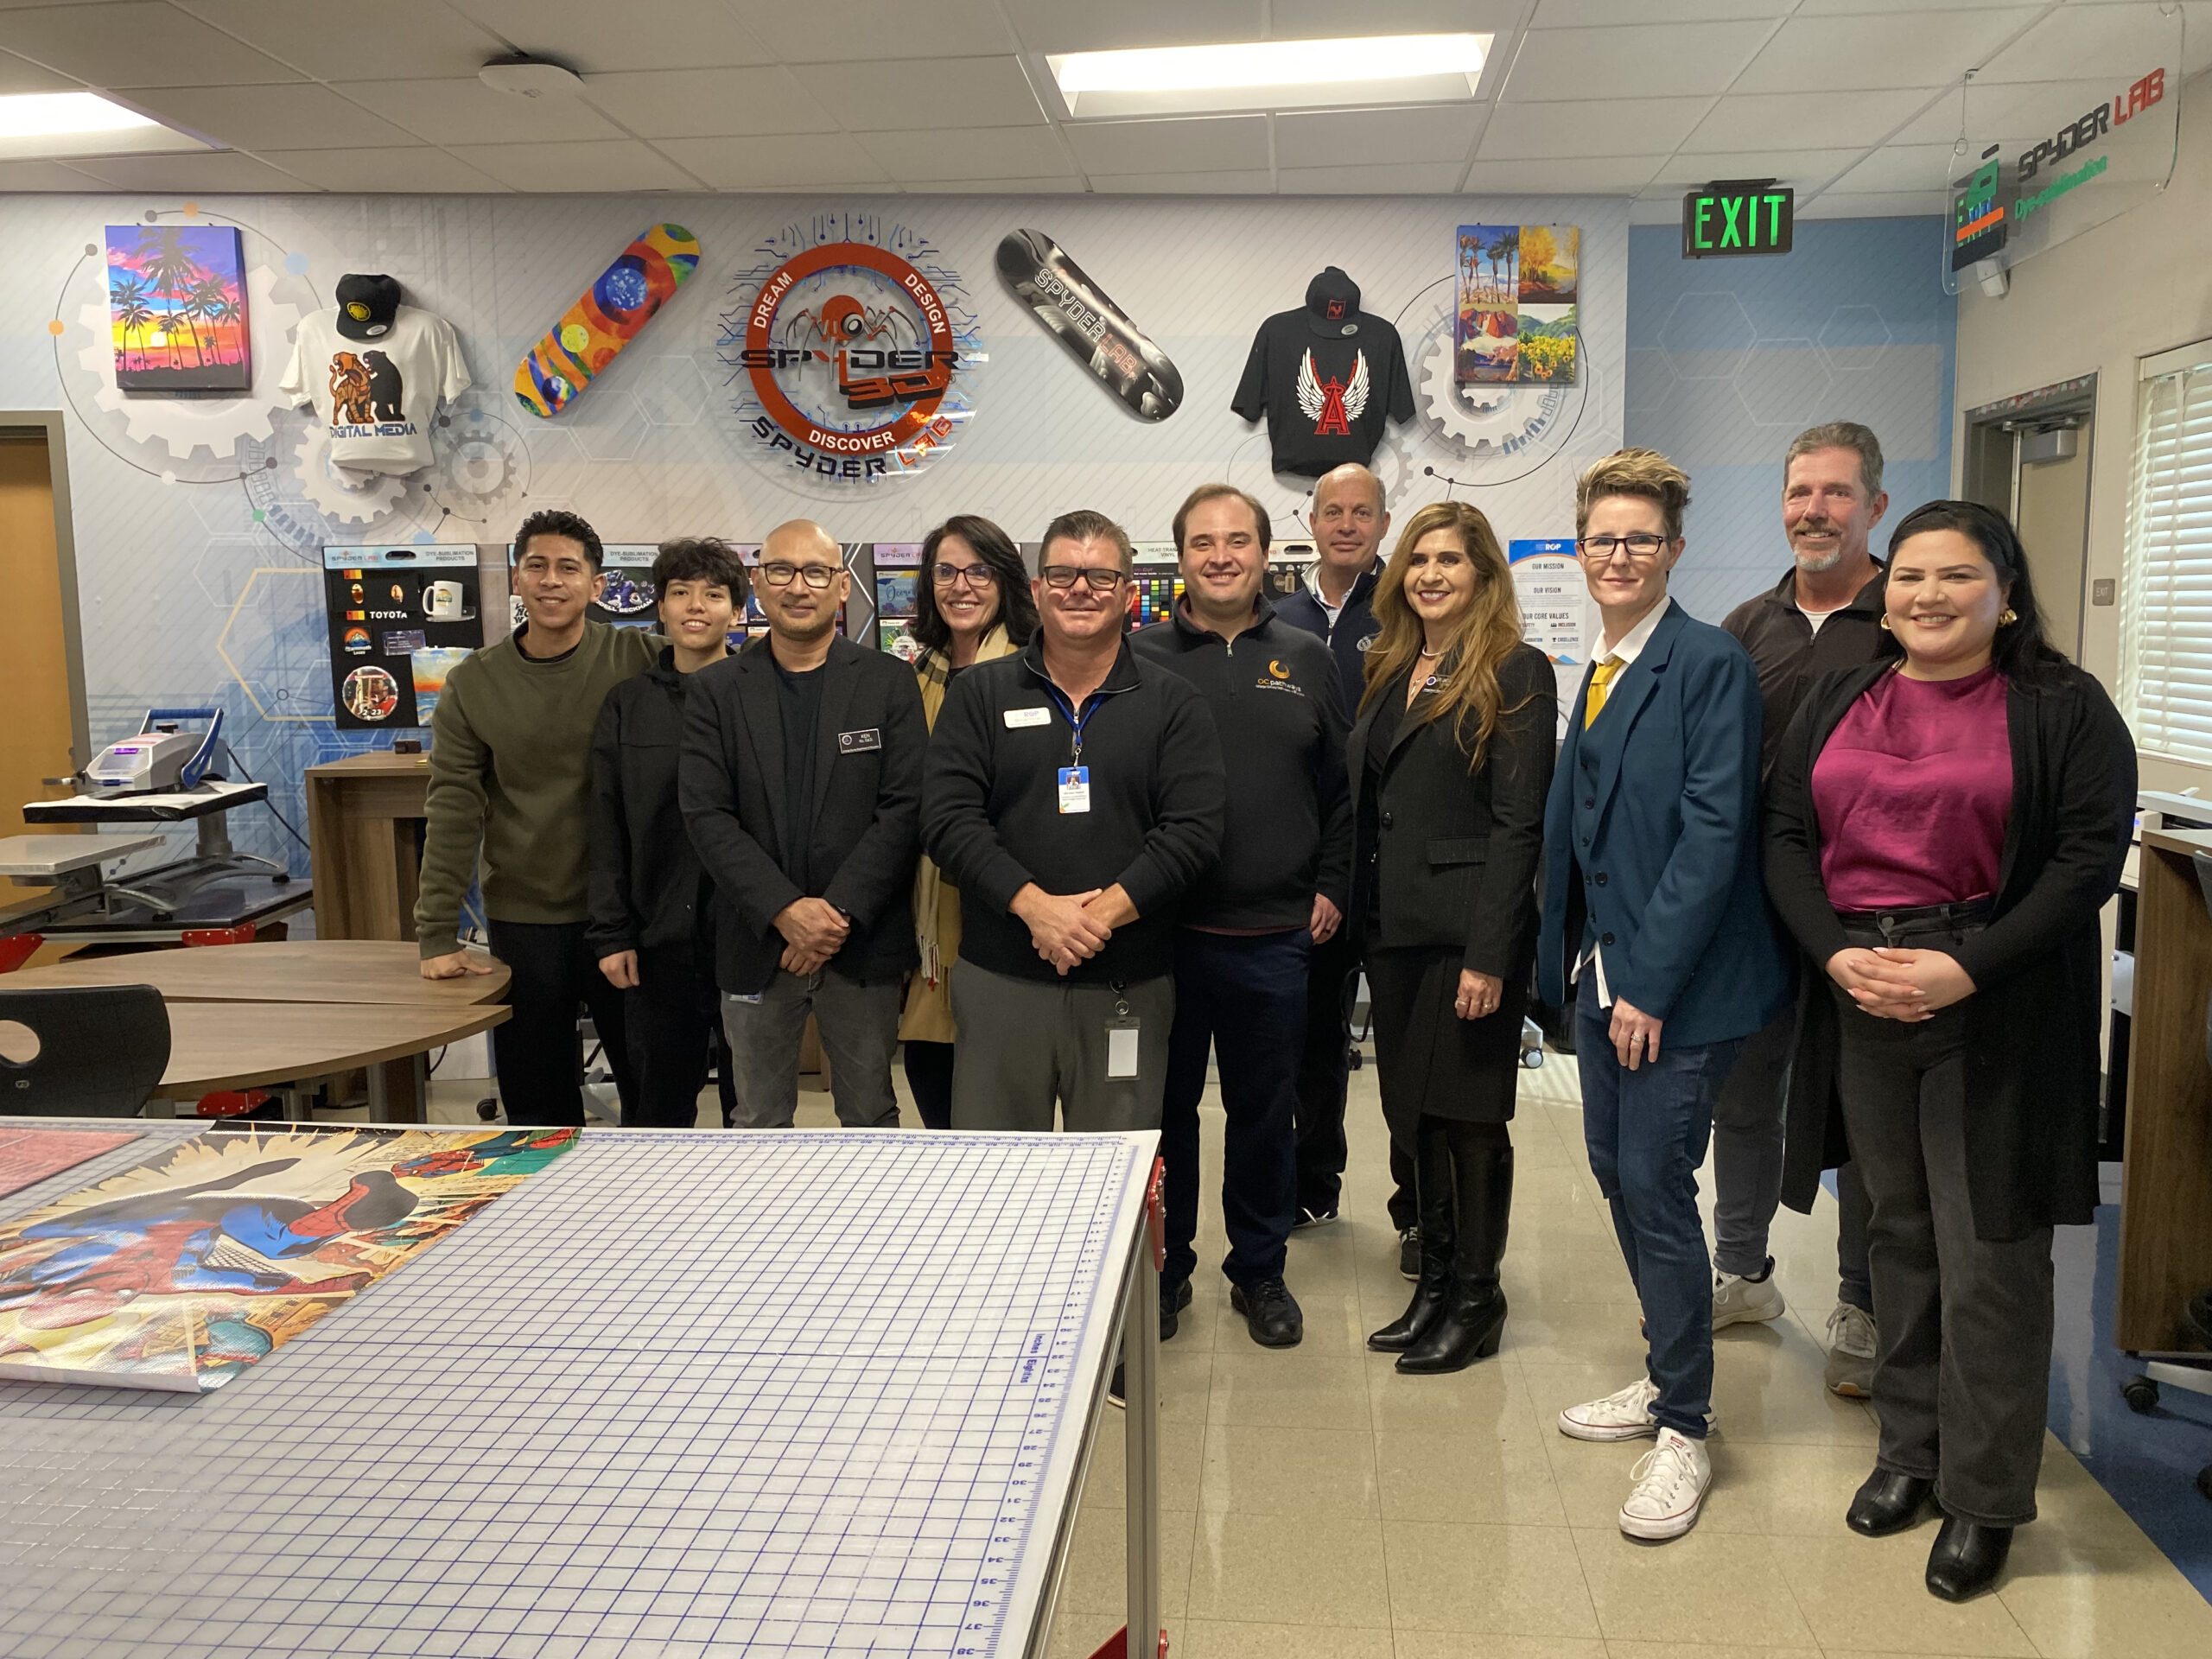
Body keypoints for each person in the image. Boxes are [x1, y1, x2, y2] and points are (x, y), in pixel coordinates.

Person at [1764, 500, 2133, 1601]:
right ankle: (1908, 1453)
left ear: (2004, 592)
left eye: (1956, 576)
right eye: (1911, 575)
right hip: (1863, 994)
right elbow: (1784, 834)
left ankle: (1982, 1498)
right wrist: (1834, 957)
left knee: (1991, 1256)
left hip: (1993, 1001)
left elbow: (2082, 860)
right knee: (1897, 1235)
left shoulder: (2062, 705)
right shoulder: (1841, 693)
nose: (1925, 595)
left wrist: (1965, 967)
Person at [1536, 448, 1788, 1541]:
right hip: (1605, 976)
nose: (1620, 554)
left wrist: (1645, 981)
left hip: (1674, 987)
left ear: (1673, 550)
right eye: (1603, 538)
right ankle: (1667, 1366)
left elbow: (1713, 831)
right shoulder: (1594, 664)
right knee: (1613, 1169)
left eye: (1641, 538)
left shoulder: (1706, 662)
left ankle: (1685, 1424)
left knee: (1651, 1179)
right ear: (1580, 549)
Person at [1131, 484, 1350, 1350]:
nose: (1219, 555)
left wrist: (1330, 883)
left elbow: (1340, 791)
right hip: (1163, 937)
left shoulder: (1306, 656)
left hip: (1275, 938)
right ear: (1178, 556)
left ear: (1265, 552)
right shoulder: (1138, 655)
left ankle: (1258, 1272)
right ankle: (1165, 1270)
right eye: (1200, 542)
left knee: (1265, 1116)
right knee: (1165, 1115)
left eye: (1236, 540)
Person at [922, 509, 1224, 1134]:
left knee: (1115, 1182)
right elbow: (949, 822)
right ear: (1036, 591)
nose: (1079, 589)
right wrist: (1036, 909)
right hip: (1002, 977)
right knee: (995, 1183)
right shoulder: (979, 694)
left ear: (1131, 595)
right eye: (1061, 574)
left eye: (1099, 577)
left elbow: (1192, 832)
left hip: (1127, 982)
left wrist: (1093, 919)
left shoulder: (1174, 704)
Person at [1351, 501, 1554, 1374]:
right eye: (1418, 559)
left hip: (1465, 932)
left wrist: (1490, 955)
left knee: (1469, 1118)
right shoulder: (1392, 663)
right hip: (1395, 931)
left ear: (1482, 576)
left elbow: (1518, 825)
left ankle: (1477, 1297)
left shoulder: (1516, 670)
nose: (1430, 574)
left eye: (1449, 560)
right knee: (1414, 1119)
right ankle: (1433, 1283)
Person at [1713, 421, 1891, 1395]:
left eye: (1833, 493)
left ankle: (1860, 1303)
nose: (1812, 511)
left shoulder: (1908, 618)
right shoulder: (1748, 624)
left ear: (1874, 506)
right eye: (1797, 493)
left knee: (1861, 1110)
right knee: (1744, 1097)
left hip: (1870, 912)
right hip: (1757, 906)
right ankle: (1741, 1273)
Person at [678, 520, 926, 1130]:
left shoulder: (887, 682)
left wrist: (835, 914)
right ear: (758, 584)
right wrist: (786, 910)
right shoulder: (715, 692)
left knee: (870, 1113)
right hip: (756, 941)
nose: (799, 587)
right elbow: (708, 815)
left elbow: (905, 807)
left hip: (860, 945)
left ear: (842, 587)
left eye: (816, 572)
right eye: (782, 571)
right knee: (757, 1116)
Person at [416, 508, 658, 1126]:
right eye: (537, 566)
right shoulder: (474, 684)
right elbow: (452, 806)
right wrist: (437, 934)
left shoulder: (641, 660)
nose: (552, 581)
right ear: (515, 579)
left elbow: (721, 678)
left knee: (653, 1092)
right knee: (536, 1106)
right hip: (525, 918)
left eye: (569, 568)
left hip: (626, 916)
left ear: (597, 585)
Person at [1273, 463, 1417, 1256]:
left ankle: (1413, 1208)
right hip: (1316, 871)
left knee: (1401, 1049)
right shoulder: (1278, 616)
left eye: (1363, 512)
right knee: (1314, 1043)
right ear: (1312, 520)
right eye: (1333, 511)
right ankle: (1312, 1187)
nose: (1347, 525)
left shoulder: (1410, 609)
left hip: (1395, 868)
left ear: (1384, 523)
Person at [586, 538, 747, 1129]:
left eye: (713, 593)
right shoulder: (628, 705)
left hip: (747, 943)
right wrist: (612, 933)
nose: (695, 606)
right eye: (680, 592)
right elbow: (605, 823)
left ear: (736, 609)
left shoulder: (760, 695)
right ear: (660, 606)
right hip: (656, 947)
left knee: (753, 1113)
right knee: (657, 1115)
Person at [898, 515, 1039, 1130]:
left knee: (1005, 1107)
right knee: (934, 1086)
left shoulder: (1036, 671)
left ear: (1006, 580)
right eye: (947, 571)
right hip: (921, 926)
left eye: (980, 570)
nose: (963, 586)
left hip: (1004, 913)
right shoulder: (910, 677)